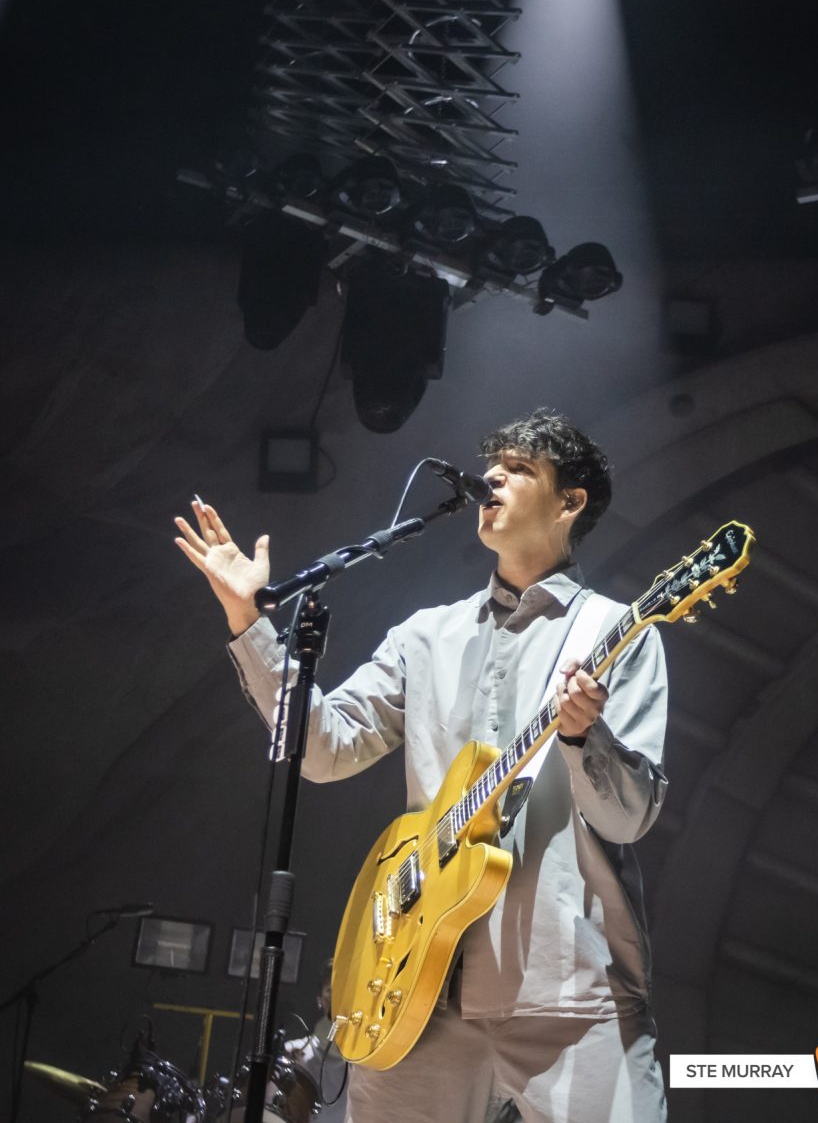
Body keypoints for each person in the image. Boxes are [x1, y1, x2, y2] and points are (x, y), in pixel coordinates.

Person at [175, 410, 669, 1123]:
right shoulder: (425, 636)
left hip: (565, 989)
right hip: (415, 986)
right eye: (492, 464)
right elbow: (323, 749)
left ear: (570, 502)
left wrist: (582, 736)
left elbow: (628, 817)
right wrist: (250, 623)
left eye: (520, 468)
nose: (493, 476)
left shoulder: (618, 634)